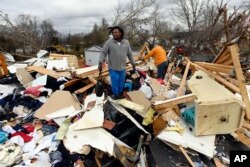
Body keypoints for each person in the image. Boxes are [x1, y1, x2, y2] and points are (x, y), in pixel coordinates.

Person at [98, 26, 136, 99]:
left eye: (116, 32)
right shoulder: (109, 43)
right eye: (113, 32)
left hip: (122, 68)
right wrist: (100, 62)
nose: (114, 34)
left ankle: (120, 93)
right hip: (113, 68)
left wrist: (133, 64)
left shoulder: (126, 42)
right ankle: (116, 95)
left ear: (120, 33)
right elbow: (103, 52)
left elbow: (130, 54)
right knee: (114, 84)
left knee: (121, 83)